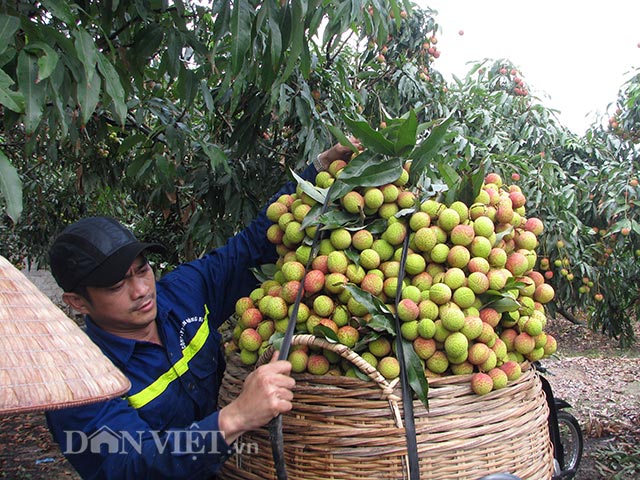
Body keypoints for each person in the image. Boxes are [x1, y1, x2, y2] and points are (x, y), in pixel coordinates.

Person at [46, 141, 358, 479]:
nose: (140, 290)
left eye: (141, 270)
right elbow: (127, 466)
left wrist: (318, 169)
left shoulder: (182, 294)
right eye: (116, 286)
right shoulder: (78, 385)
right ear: (77, 302)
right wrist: (233, 419)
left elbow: (250, 249)